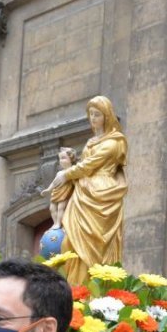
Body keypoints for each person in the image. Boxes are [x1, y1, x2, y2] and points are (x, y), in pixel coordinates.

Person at [51, 96, 128, 285]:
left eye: (97, 115)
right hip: (83, 194)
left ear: (107, 116)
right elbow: (85, 165)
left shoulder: (114, 142)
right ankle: (75, 289)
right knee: (70, 243)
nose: (93, 119)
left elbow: (91, 165)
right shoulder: (92, 141)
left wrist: (67, 174)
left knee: (96, 245)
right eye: (90, 115)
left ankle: (94, 292)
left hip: (102, 193)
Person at [45, 147, 76, 230]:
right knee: (52, 208)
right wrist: (48, 189)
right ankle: (55, 222)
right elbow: (54, 183)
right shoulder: (59, 172)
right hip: (56, 191)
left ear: (71, 159)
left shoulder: (73, 171)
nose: (61, 161)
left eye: (63, 158)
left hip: (65, 192)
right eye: (60, 159)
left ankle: (59, 223)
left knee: (60, 208)